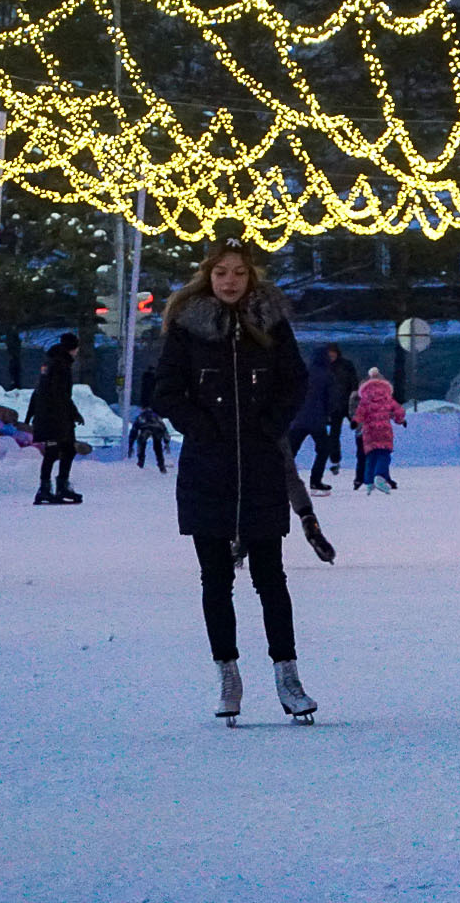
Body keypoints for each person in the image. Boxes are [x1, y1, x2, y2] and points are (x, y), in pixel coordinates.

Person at [153, 238, 317, 724]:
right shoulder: (187, 329)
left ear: (252, 276)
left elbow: (295, 382)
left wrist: (269, 427)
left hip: (261, 466)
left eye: (239, 273)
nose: (230, 281)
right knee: (216, 578)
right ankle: (227, 673)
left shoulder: (271, 324)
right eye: (221, 272)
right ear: (208, 275)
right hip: (209, 468)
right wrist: (203, 430)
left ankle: (288, 674)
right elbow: (166, 391)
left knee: (271, 577)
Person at [29, 332, 84, 505]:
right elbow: (60, 393)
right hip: (55, 416)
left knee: (59, 450)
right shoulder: (61, 365)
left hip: (47, 414)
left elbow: (42, 390)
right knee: (63, 449)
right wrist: (73, 413)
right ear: (73, 348)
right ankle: (55, 487)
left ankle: (50, 487)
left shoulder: (51, 362)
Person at [289, 346, 337, 494]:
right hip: (317, 420)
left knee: (290, 451)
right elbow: (331, 399)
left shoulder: (302, 373)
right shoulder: (326, 374)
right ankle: (315, 481)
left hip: (298, 419)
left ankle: (280, 480)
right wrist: (329, 414)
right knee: (323, 449)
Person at [353, 368, 406, 494]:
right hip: (384, 431)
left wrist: (355, 421)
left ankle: (369, 482)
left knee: (371, 457)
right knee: (384, 455)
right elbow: (399, 411)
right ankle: (380, 476)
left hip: (369, 432)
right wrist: (400, 420)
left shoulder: (365, 400)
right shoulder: (387, 398)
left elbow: (359, 413)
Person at [321, 345, 359, 477]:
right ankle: (335, 460)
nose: (331, 357)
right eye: (329, 355)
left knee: (359, 428)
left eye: (333, 354)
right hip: (334, 406)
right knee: (334, 434)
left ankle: (364, 454)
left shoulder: (346, 365)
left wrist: (354, 395)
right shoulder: (324, 367)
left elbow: (354, 381)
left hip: (348, 404)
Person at [130, 407, 169, 472]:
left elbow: (134, 431)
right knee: (157, 445)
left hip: (146, 429)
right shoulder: (156, 416)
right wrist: (166, 441)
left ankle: (140, 462)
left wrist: (130, 445)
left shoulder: (141, 416)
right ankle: (161, 465)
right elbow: (164, 428)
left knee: (141, 442)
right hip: (157, 429)